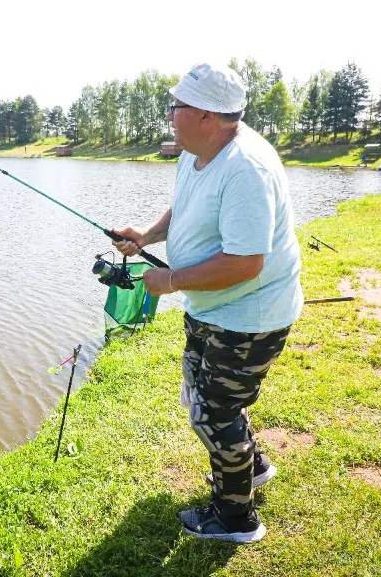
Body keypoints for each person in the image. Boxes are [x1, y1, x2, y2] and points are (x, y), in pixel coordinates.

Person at [113, 63, 302, 543]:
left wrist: (171, 280)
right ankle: (251, 466)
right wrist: (148, 235)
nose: (170, 114)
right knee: (204, 395)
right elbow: (187, 206)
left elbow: (245, 263)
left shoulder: (246, 169)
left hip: (248, 317)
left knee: (213, 413)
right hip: (213, 309)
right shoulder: (196, 151)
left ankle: (236, 519)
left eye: (177, 106)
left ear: (208, 116)